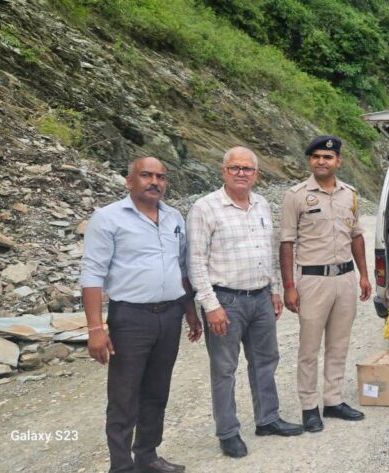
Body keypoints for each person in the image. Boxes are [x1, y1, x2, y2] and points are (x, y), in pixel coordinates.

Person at [81, 156, 201, 473]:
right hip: (130, 318)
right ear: (129, 180)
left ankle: (147, 456)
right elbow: (92, 274)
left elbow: (182, 268)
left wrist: (190, 311)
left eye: (161, 177)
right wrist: (95, 328)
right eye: (146, 175)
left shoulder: (174, 217)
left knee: (157, 391)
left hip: (170, 315)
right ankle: (121, 466)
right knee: (124, 395)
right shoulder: (108, 218)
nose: (155, 182)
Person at [187, 147, 303, 459]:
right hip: (225, 300)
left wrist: (274, 290)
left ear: (256, 174)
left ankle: (268, 419)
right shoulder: (205, 208)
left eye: (247, 169)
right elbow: (195, 261)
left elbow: (268, 252)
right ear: (223, 171)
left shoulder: (262, 204)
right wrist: (210, 305)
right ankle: (228, 432)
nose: (241, 173)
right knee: (224, 369)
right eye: (235, 168)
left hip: (261, 297)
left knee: (266, 360)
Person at [280, 135, 371, 433]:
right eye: (316, 156)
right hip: (313, 280)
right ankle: (309, 406)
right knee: (309, 347)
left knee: (339, 343)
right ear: (310, 160)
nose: (322, 161)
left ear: (338, 161)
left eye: (328, 157)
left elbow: (356, 236)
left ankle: (333, 400)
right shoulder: (295, 195)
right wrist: (289, 286)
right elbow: (286, 242)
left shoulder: (350, 195)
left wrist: (364, 275)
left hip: (345, 278)